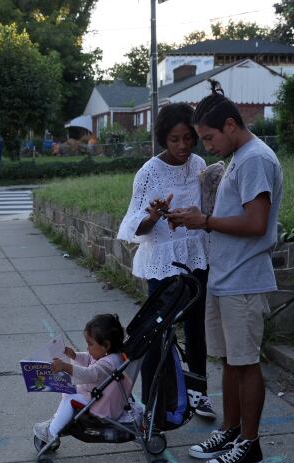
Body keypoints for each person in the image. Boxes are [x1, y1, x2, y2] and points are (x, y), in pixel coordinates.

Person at [167, 80, 283, 463]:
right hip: (225, 277)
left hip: (245, 280)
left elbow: (256, 222)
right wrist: (198, 219)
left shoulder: (254, 160)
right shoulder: (240, 158)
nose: (206, 146)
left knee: (246, 364)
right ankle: (231, 430)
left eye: (209, 137)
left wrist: (205, 221)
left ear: (231, 125)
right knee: (231, 362)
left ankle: (250, 445)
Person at [116, 102, 215, 420]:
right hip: (163, 260)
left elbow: (204, 210)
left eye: (188, 137)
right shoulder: (149, 173)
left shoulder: (199, 164)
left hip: (195, 256)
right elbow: (134, 226)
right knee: (158, 330)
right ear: (163, 138)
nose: (183, 146)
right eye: (175, 139)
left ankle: (198, 392)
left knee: (196, 325)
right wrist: (155, 215)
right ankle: (155, 401)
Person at [32, 314, 132, 444]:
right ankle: (57, 420)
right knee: (70, 392)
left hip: (101, 406)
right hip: (100, 398)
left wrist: (65, 367)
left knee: (70, 397)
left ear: (106, 345)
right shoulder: (109, 355)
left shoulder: (108, 364)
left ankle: (51, 432)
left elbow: (89, 374)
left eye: (90, 344)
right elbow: (90, 359)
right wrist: (74, 355)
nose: (87, 348)